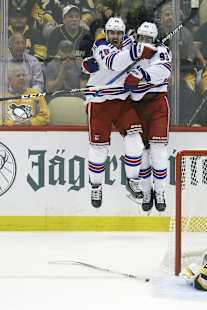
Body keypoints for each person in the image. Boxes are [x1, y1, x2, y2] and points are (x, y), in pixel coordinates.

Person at [82, 17, 156, 208]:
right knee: (99, 150)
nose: (114, 36)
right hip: (99, 103)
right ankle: (96, 186)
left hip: (122, 101)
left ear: (123, 34)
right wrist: (137, 51)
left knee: (136, 142)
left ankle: (132, 180)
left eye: (118, 33)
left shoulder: (130, 43)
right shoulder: (100, 46)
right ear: (106, 33)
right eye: (111, 33)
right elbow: (115, 62)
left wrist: (150, 46)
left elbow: (145, 50)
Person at [124, 22, 171, 212]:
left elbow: (164, 70)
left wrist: (140, 74)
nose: (144, 42)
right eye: (141, 38)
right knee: (142, 152)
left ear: (154, 39)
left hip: (157, 105)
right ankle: (146, 191)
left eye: (148, 39)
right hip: (136, 107)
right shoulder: (130, 51)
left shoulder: (162, 50)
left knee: (158, 151)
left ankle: (160, 191)